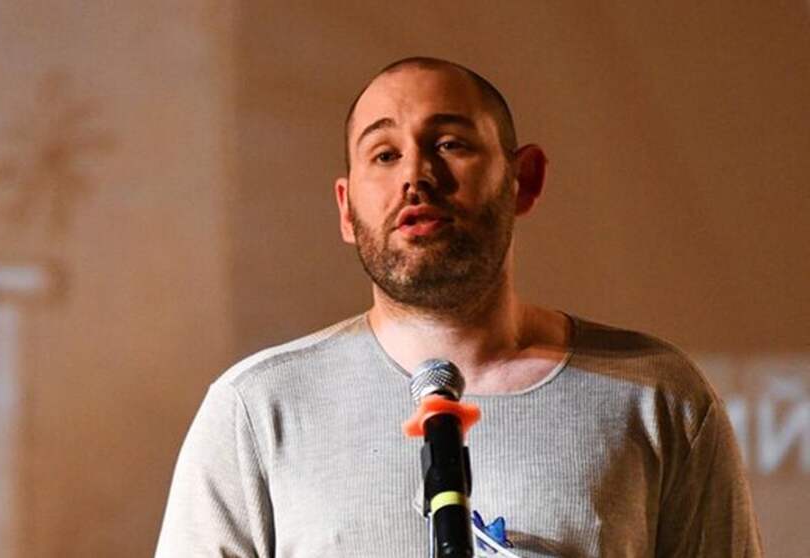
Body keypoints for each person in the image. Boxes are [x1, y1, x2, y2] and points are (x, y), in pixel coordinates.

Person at [155, 57, 762, 557]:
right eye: (384, 154)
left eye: (449, 144)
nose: (416, 176)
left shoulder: (659, 397)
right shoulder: (256, 412)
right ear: (346, 208)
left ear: (524, 180)